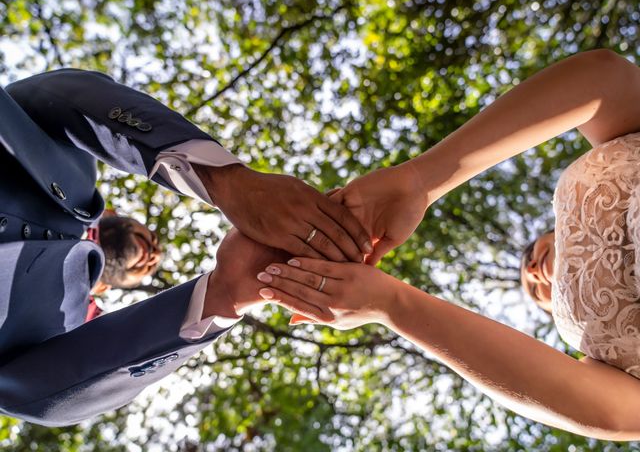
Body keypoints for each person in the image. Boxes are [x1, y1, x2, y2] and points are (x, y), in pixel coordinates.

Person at [253, 49, 640, 440]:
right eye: (539, 293)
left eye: (534, 255)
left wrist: (419, 181)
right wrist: (391, 303)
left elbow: (605, 81)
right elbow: (612, 412)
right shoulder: (596, 348)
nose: (533, 272)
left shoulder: (614, 153)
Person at [0, 68, 370, 426]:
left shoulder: (71, 333)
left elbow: (43, 397)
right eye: (150, 237)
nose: (154, 253)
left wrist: (225, 294)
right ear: (110, 212)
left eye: (149, 265)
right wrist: (228, 182)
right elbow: (50, 92)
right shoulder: (70, 166)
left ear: (108, 289)